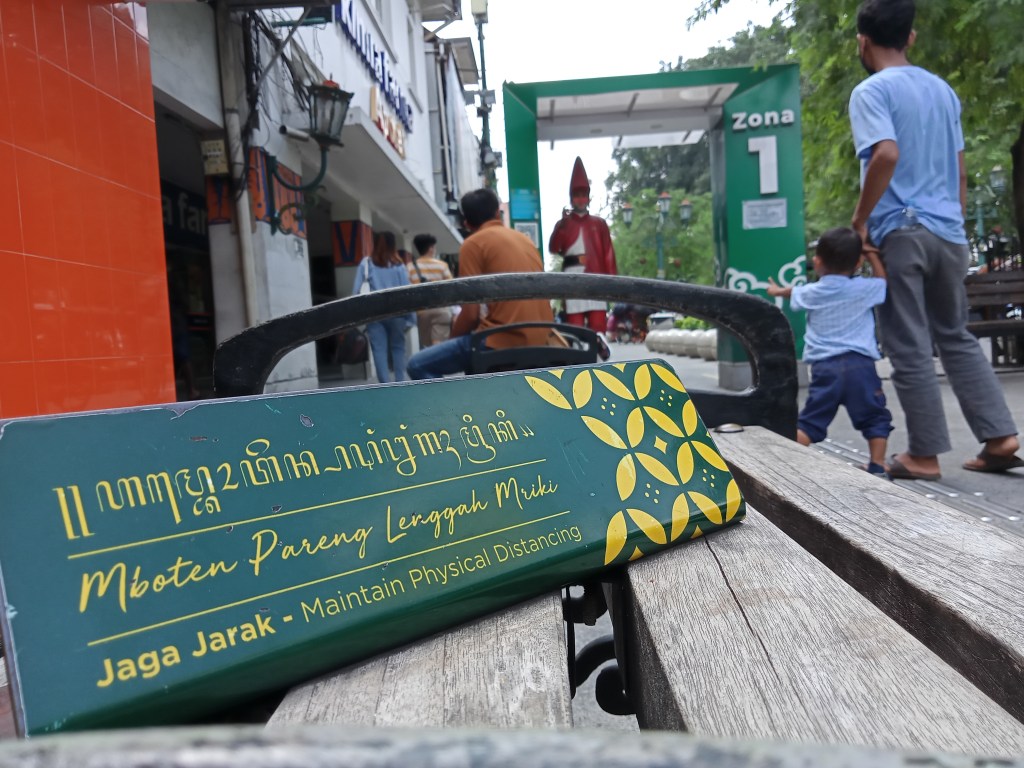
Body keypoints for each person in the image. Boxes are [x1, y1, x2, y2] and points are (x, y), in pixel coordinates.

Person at [848, 0, 1021, 479]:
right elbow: (960, 171)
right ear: (911, 37)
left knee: (907, 342)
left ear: (863, 41)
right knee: (955, 334)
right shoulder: (942, 91)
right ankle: (1000, 436)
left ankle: (923, 454)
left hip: (901, 230)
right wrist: (953, 222)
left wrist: (860, 222)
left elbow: (885, 154)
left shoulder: (871, 91)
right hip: (948, 231)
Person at [768, 228, 893, 477]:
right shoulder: (864, 288)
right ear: (858, 263)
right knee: (875, 417)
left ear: (817, 262)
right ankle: (878, 465)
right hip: (861, 366)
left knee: (811, 421)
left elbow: (793, 293)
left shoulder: (812, 291)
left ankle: (781, 464)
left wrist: (776, 291)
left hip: (825, 367)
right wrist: (872, 256)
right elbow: (882, 282)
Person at [407, 188, 554, 379]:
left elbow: (470, 315)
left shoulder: (473, 244)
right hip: (542, 336)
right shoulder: (525, 240)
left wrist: (451, 341)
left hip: (502, 339)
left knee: (417, 365)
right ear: (497, 213)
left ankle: (452, 401)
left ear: (466, 223)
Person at [548, 157, 617, 334]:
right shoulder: (563, 224)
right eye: (577, 195)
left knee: (598, 325)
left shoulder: (599, 224)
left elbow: (608, 253)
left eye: (583, 195)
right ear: (572, 198)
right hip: (572, 276)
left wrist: (613, 282)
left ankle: (599, 351)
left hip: (596, 275)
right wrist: (562, 226)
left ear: (588, 198)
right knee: (575, 326)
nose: (580, 199)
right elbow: (554, 248)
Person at [352, 231, 416, 383]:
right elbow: (408, 293)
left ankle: (384, 385)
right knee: (398, 348)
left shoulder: (366, 264)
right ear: (393, 245)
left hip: (374, 314)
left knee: (378, 350)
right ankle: (399, 381)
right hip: (397, 313)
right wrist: (411, 318)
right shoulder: (399, 266)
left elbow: (356, 291)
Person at [407, 233, 454, 348]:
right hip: (441, 309)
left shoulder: (410, 267)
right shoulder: (442, 266)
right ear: (431, 248)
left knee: (428, 345)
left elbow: (408, 291)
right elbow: (452, 288)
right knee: (438, 344)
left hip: (422, 312)